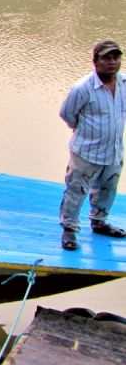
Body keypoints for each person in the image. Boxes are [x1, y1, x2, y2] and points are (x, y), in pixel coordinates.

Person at [58, 39, 125, 251]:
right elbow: (67, 114)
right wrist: (86, 132)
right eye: (106, 58)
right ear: (95, 61)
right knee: (76, 190)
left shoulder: (124, 83)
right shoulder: (82, 88)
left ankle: (99, 221)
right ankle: (69, 229)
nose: (112, 62)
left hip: (113, 150)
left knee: (108, 188)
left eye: (116, 58)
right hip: (86, 152)